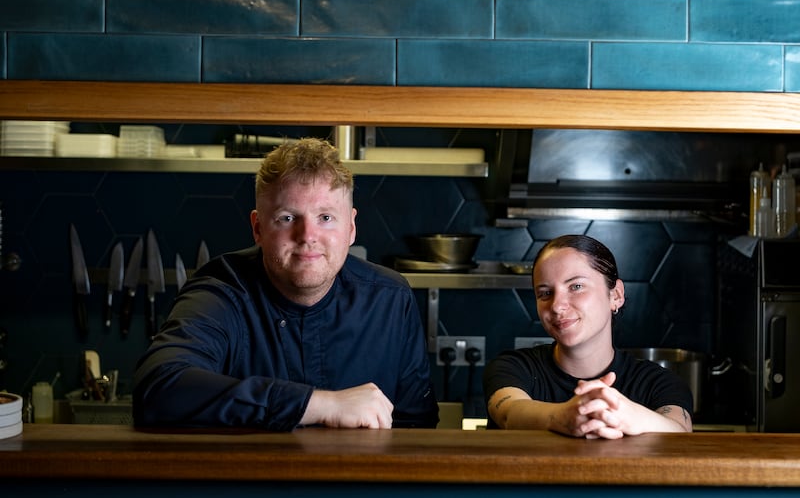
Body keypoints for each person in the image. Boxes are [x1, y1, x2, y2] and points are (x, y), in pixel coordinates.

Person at [133, 137, 438, 431]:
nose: (307, 236)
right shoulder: (220, 291)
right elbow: (158, 388)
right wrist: (321, 405)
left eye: (326, 217)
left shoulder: (391, 300)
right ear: (258, 228)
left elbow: (416, 427)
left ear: (351, 228)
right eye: (288, 218)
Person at [483, 234, 692, 439]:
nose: (557, 306)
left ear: (616, 295)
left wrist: (624, 414)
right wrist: (563, 417)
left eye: (576, 286)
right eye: (545, 293)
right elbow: (509, 413)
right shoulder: (512, 368)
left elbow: (680, 430)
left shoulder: (659, 382)